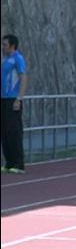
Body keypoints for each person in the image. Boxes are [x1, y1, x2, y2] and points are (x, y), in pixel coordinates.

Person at [1, 34, 28, 174]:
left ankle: (18, 163)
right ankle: (9, 162)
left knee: (14, 131)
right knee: (4, 131)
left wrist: (19, 98)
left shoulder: (18, 59)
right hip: (3, 99)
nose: (2, 47)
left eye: (5, 44)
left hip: (13, 99)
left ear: (12, 45)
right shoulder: (5, 60)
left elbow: (23, 78)